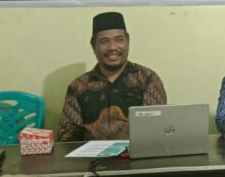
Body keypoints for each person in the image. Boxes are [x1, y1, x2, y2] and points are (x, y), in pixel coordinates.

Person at [58, 12, 167, 142]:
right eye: (104, 41)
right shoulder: (78, 86)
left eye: (119, 40)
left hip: (137, 153)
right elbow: (67, 137)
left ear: (128, 42)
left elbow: (157, 130)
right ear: (93, 47)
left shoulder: (147, 79)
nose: (112, 47)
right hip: (90, 154)